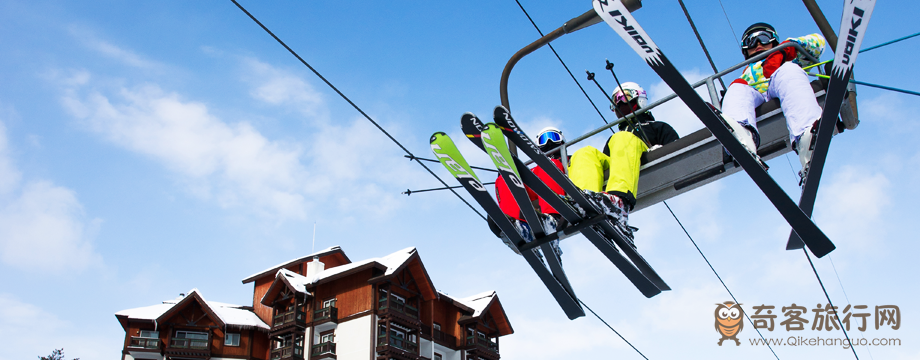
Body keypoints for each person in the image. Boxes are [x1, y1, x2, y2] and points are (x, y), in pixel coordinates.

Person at [567, 82, 679, 236]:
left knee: (622, 137)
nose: (619, 102)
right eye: (615, 100)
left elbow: (676, 147)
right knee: (584, 152)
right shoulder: (615, 139)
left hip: (641, 158)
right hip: (620, 163)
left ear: (639, 98)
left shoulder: (657, 127)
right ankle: (583, 202)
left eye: (624, 96)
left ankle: (618, 202)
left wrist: (660, 150)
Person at [720, 23, 826, 178]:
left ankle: (807, 136)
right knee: (736, 88)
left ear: (774, 40)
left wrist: (786, 49)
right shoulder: (746, 73)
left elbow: (819, 43)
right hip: (756, 97)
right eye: (751, 41)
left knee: (789, 71)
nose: (757, 44)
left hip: (782, 88)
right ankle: (742, 137)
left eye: (763, 38)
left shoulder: (790, 58)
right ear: (745, 49)